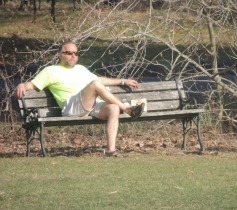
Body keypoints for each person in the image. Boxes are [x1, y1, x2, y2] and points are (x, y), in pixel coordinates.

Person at [16, 41, 144, 157]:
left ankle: (111, 151)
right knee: (94, 85)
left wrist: (122, 81)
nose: (72, 56)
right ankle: (127, 109)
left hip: (88, 105)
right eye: (68, 53)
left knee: (113, 108)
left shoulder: (81, 69)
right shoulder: (51, 71)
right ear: (60, 55)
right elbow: (33, 84)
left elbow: (99, 80)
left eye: (75, 53)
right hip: (71, 106)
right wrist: (22, 85)